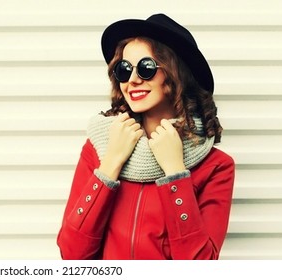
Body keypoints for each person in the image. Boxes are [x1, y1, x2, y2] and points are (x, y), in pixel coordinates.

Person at [56, 13, 235, 260]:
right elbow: (72, 253)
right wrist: (111, 163)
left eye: (147, 68)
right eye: (124, 69)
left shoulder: (216, 167)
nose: (133, 80)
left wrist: (175, 172)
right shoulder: (99, 148)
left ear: (175, 74)